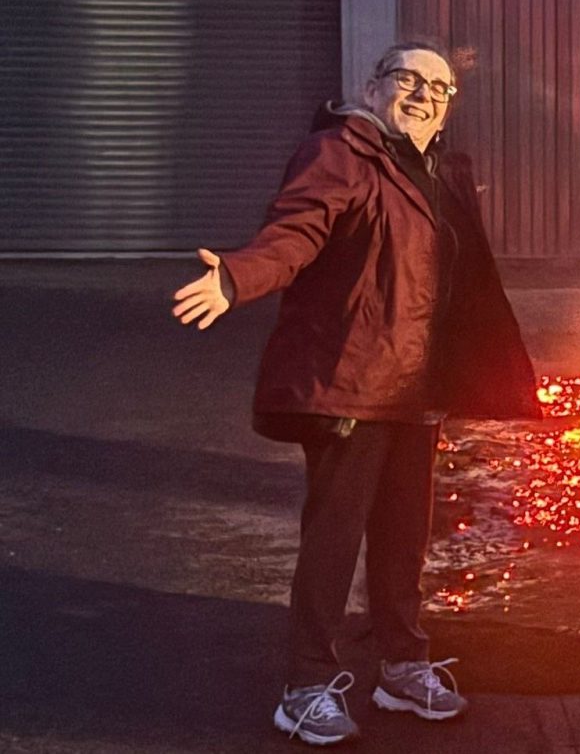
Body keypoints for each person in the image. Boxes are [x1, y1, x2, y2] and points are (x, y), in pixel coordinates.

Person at [171, 40, 541, 745]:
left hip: (414, 388)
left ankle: (402, 667)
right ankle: (305, 685)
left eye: (440, 88)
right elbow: (296, 233)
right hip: (351, 386)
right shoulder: (340, 154)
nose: (425, 95)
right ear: (373, 89)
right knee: (334, 541)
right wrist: (238, 277)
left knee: (404, 540)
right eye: (409, 78)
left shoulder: (435, 170)